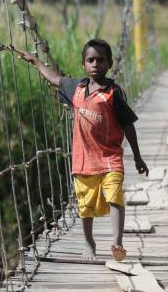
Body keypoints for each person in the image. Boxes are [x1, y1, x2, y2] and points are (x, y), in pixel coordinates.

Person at [21, 39, 149, 261]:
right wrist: (35, 61)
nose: (95, 64)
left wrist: (137, 156)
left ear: (109, 64)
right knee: (85, 205)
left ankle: (117, 243)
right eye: (90, 60)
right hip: (83, 160)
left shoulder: (113, 93)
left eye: (101, 60)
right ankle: (89, 243)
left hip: (110, 157)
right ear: (83, 64)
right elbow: (54, 79)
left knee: (115, 196)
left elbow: (128, 125)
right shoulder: (77, 88)